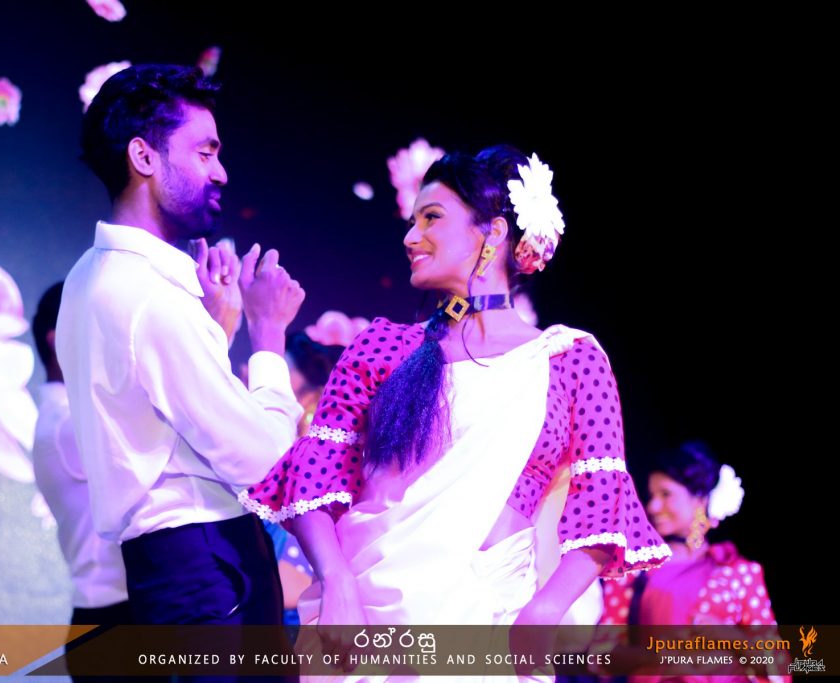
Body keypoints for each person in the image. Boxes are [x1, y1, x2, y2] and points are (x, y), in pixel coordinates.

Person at [240, 146, 669, 653]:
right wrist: (335, 582)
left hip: (490, 625)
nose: (410, 237)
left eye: (432, 218)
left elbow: (602, 501)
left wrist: (547, 608)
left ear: (493, 232)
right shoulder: (383, 346)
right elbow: (314, 477)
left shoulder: (569, 360)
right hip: (361, 621)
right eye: (412, 221)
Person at [56, 63, 305, 631]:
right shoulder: (149, 296)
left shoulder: (86, 278)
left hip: (165, 569)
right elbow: (265, 462)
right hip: (211, 564)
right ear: (143, 157)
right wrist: (267, 334)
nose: (221, 172)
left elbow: (155, 421)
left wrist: (214, 330)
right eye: (204, 152)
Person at [598, 442, 788, 682]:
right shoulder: (635, 568)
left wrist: (731, 637)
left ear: (700, 500)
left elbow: (778, 664)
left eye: (666, 494)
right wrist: (660, 654)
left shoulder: (737, 571)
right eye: (652, 495)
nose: (653, 506)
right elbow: (602, 654)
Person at [31, 282, 131, 672]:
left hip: (112, 618)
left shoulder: (66, 419)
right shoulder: (66, 424)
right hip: (112, 626)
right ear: (56, 338)